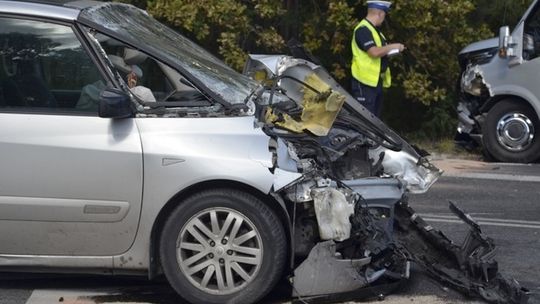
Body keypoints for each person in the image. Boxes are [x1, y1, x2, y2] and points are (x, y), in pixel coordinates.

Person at [351, 0, 405, 117]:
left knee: (375, 120)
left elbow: (380, 53)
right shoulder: (363, 30)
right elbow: (374, 52)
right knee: (365, 121)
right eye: (384, 15)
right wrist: (393, 46)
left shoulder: (376, 32)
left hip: (375, 81)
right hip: (364, 82)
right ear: (380, 14)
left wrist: (392, 51)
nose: (383, 19)